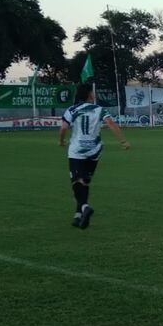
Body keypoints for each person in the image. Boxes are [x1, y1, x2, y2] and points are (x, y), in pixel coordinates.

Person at [58, 83, 130, 228]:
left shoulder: (72, 110)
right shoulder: (99, 110)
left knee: (76, 183)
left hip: (77, 151)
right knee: (85, 182)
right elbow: (110, 124)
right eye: (92, 92)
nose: (94, 94)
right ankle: (78, 215)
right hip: (95, 151)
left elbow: (64, 128)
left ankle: (84, 207)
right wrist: (123, 141)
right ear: (89, 94)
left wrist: (61, 141)